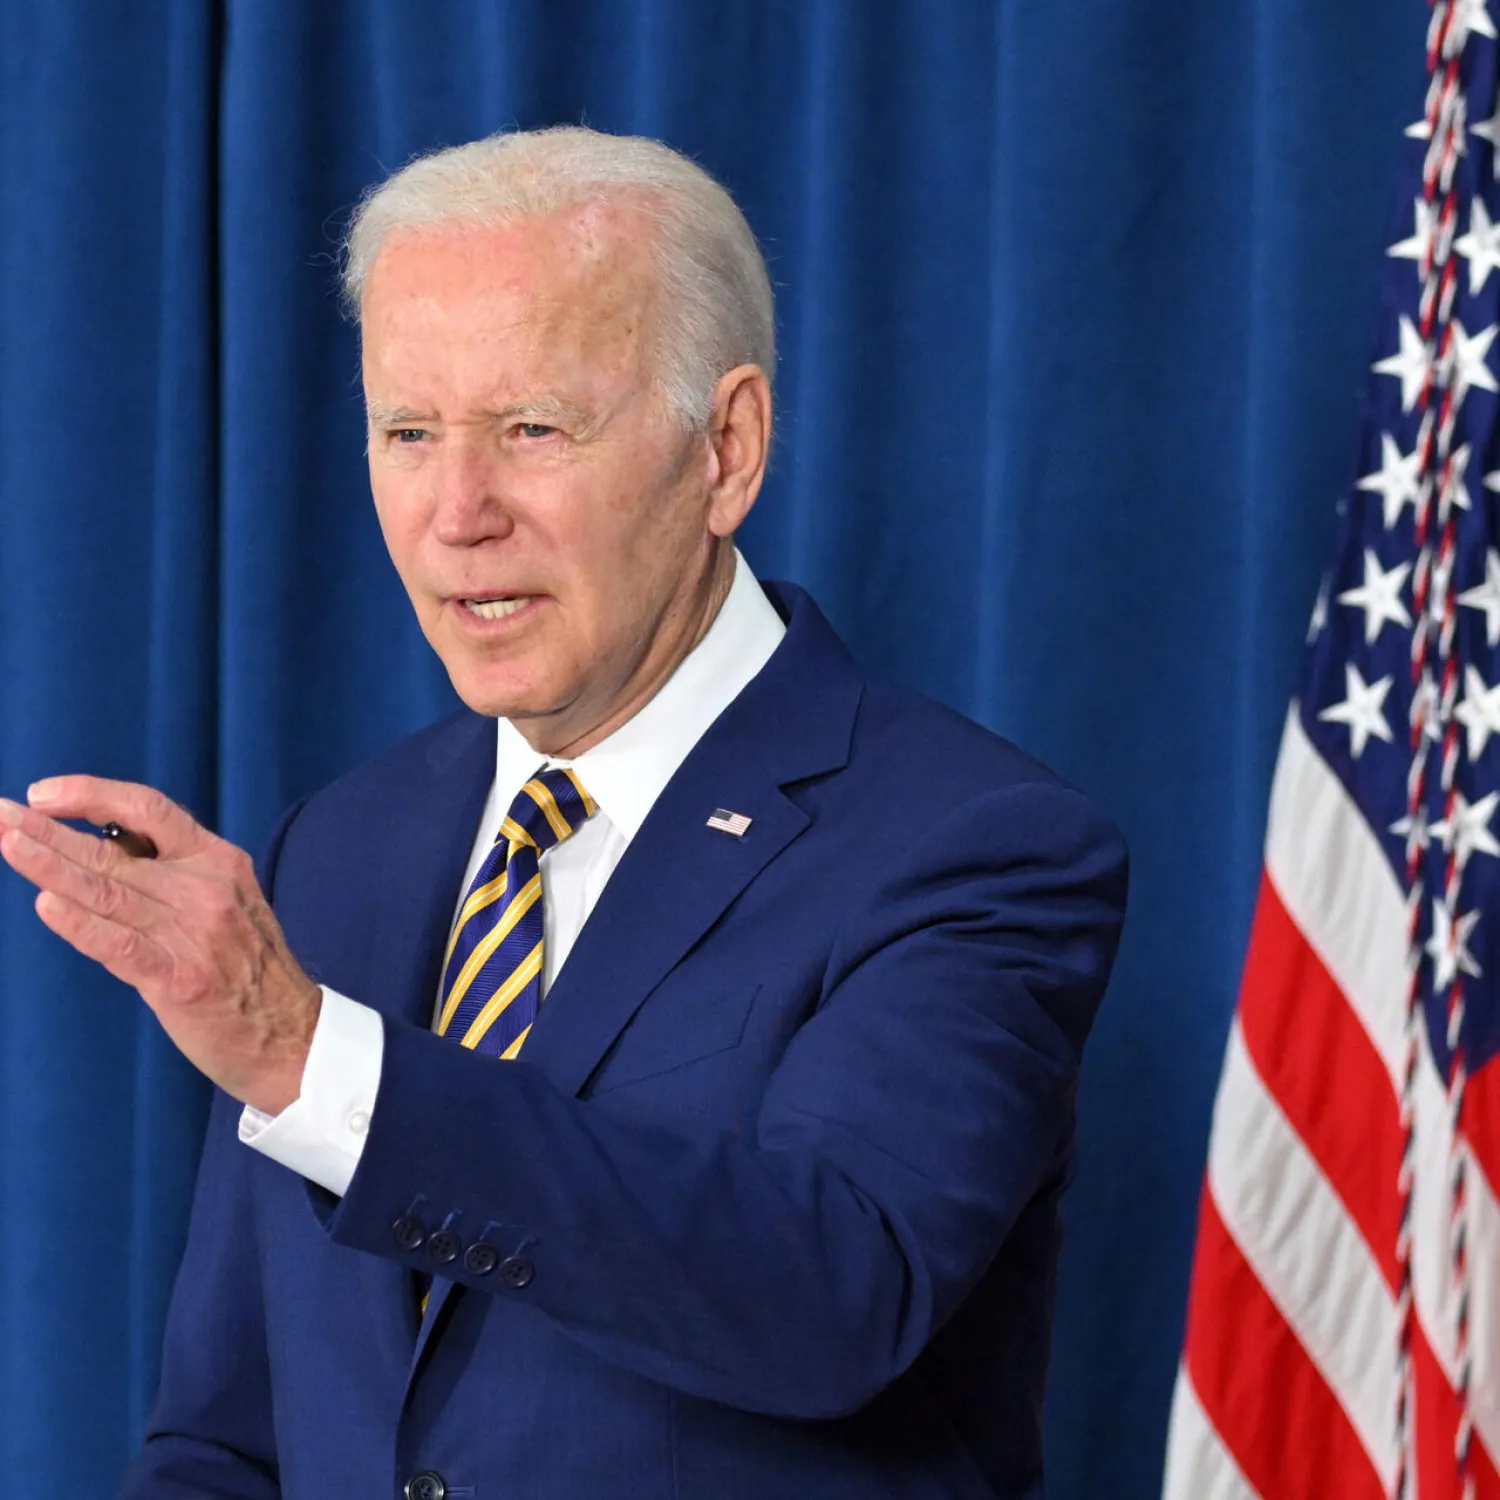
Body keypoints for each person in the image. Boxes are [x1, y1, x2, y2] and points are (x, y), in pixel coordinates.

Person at [0, 126, 1128, 1500]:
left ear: (727, 448)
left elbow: (832, 1293)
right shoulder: (335, 850)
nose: (457, 513)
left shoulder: (974, 843)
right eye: (408, 432)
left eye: (534, 429)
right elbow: (228, 1437)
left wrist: (317, 1058)